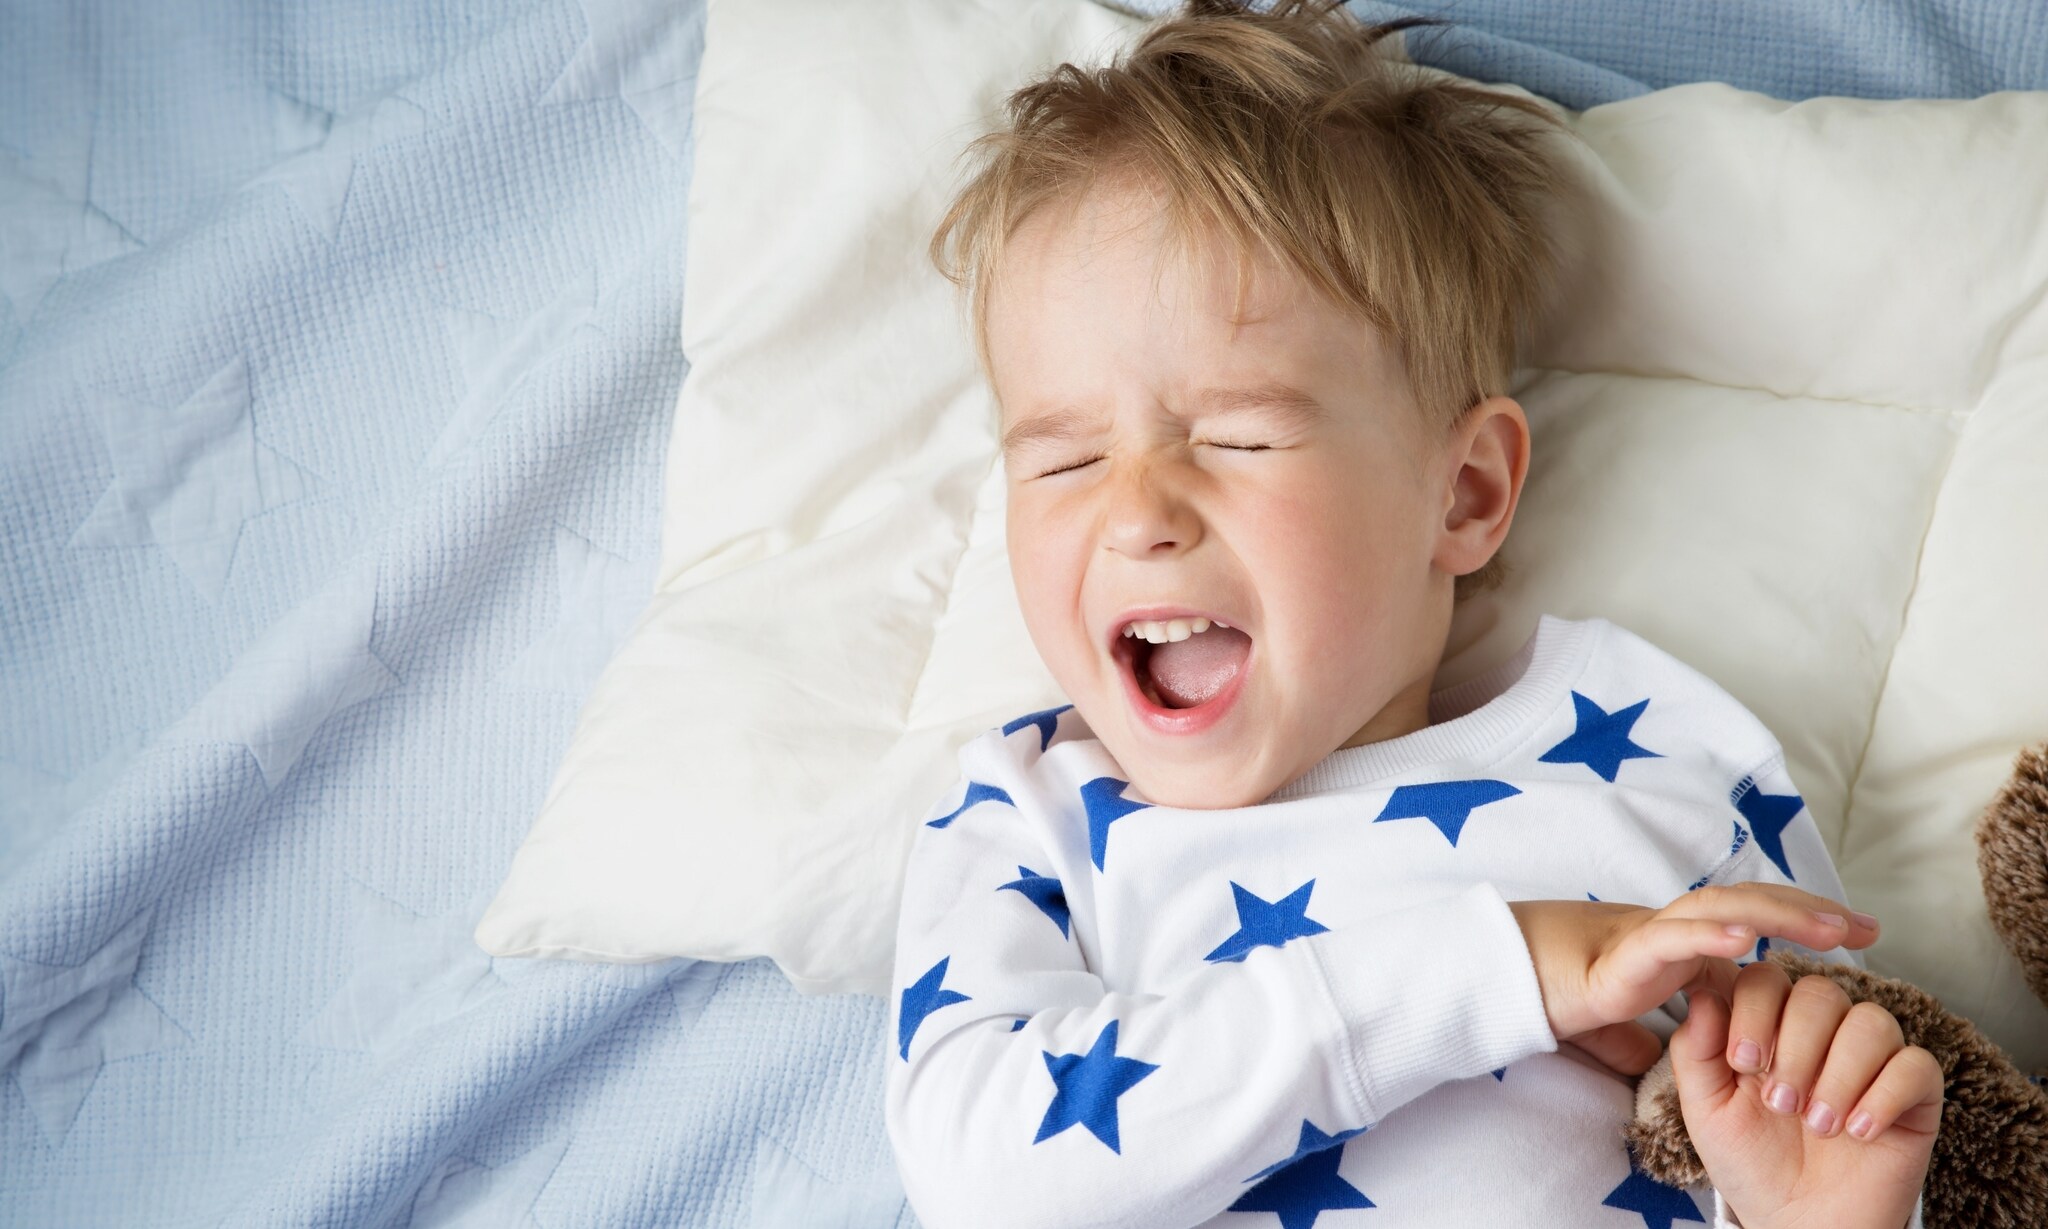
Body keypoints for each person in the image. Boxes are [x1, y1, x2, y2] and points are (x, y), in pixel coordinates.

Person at [884, 3, 1942, 1226]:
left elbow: (1819, 1111)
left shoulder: (1656, 773)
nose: (1135, 513)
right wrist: (1497, 967)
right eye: (1063, 460)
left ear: (1462, 492)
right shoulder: (1032, 819)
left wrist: (1823, 1209)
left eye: (1236, 437)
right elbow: (981, 1173)